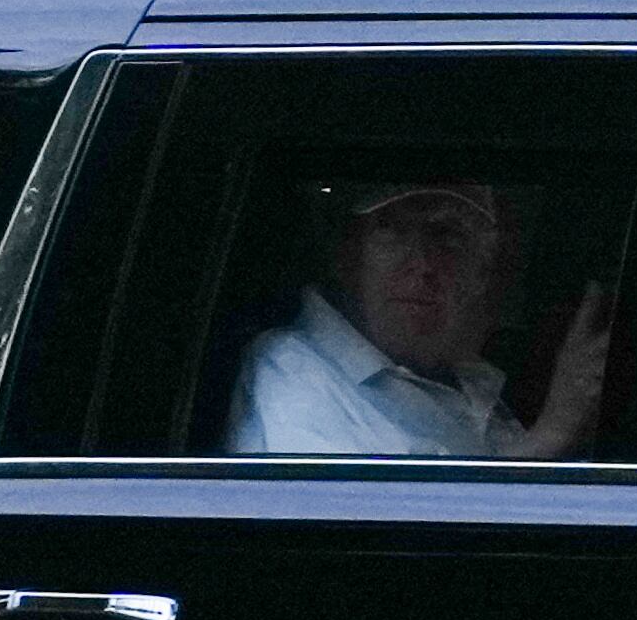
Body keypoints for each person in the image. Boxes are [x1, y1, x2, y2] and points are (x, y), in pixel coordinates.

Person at [223, 179, 614, 459]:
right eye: (391, 231)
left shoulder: (475, 386)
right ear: (348, 258)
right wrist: (548, 437)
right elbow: (357, 541)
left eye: (448, 237)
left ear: (479, 273)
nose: (423, 263)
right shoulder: (293, 368)